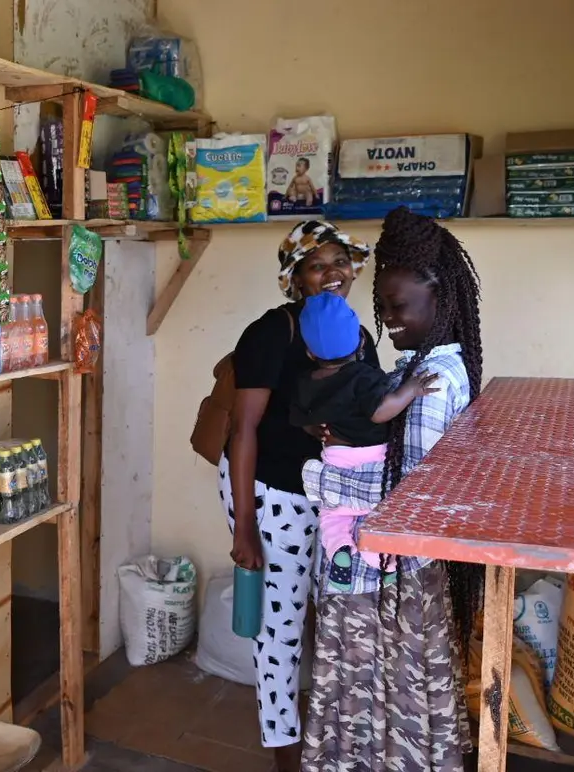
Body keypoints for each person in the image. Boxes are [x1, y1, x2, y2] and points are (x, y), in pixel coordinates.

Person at [300, 206, 485, 772]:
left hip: (386, 576)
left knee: (379, 693)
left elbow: (410, 500)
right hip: (387, 568)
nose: (389, 319)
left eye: (398, 306)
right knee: (397, 694)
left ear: (440, 297)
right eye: (381, 307)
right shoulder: (420, 368)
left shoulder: (431, 382)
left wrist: (328, 474)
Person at [220, 219, 377, 770]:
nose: (333, 273)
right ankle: (284, 753)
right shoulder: (273, 332)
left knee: (332, 616)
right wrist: (244, 528)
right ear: (296, 279)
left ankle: (330, 734)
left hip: (330, 497)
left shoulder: (359, 336)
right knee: (279, 628)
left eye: (340, 261)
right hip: (270, 492)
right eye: (317, 265)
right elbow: (243, 431)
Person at [289, 291, 439, 588]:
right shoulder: (364, 376)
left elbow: (302, 420)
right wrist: (410, 390)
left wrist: (313, 430)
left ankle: (339, 550)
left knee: (334, 514)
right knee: (376, 513)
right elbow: (380, 412)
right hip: (374, 458)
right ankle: (384, 561)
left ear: (309, 353)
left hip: (335, 458)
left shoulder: (305, 382)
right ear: (360, 341)